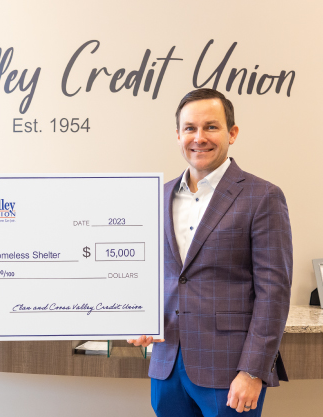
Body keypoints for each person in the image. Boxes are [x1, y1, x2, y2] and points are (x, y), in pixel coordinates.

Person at [129, 88, 292, 416]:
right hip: (166, 366)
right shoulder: (156, 196)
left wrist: (253, 371)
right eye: (190, 128)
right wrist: (139, 315)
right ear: (178, 135)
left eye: (211, 127)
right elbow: (152, 274)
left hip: (230, 371)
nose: (199, 137)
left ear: (232, 133)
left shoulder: (262, 197)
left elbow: (273, 293)